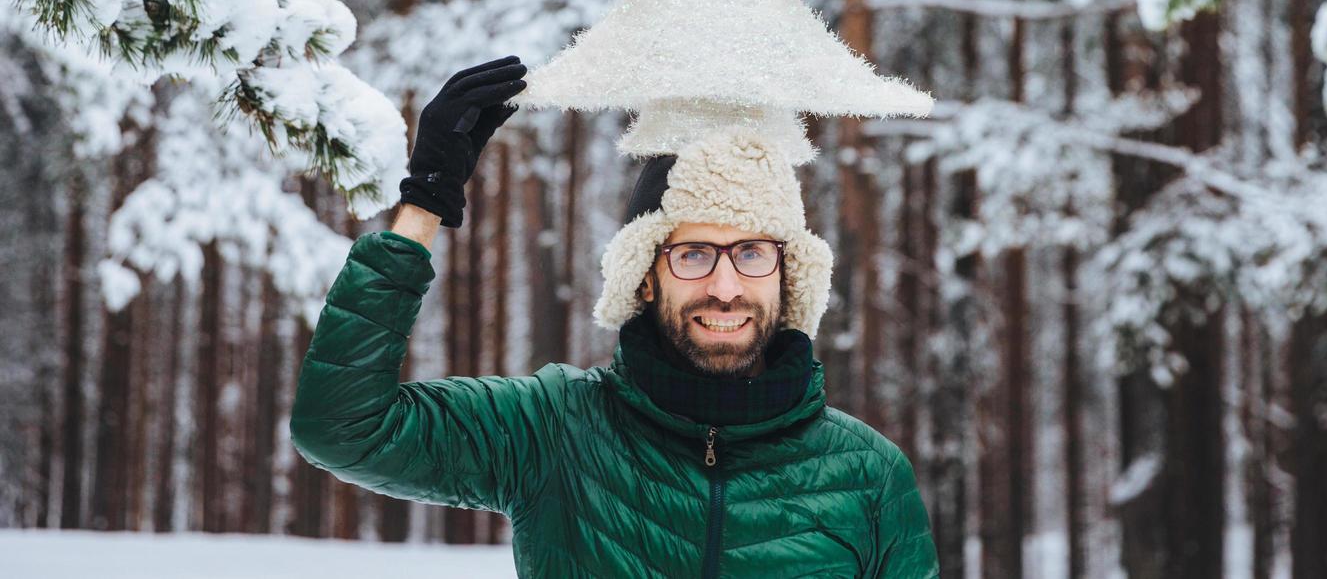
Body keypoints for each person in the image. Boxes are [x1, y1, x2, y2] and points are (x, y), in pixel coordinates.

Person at [290, 55, 940, 577]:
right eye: (691, 254)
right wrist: (423, 204)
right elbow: (343, 428)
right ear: (646, 277)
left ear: (789, 273)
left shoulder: (869, 477)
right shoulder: (551, 428)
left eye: (750, 252)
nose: (724, 285)